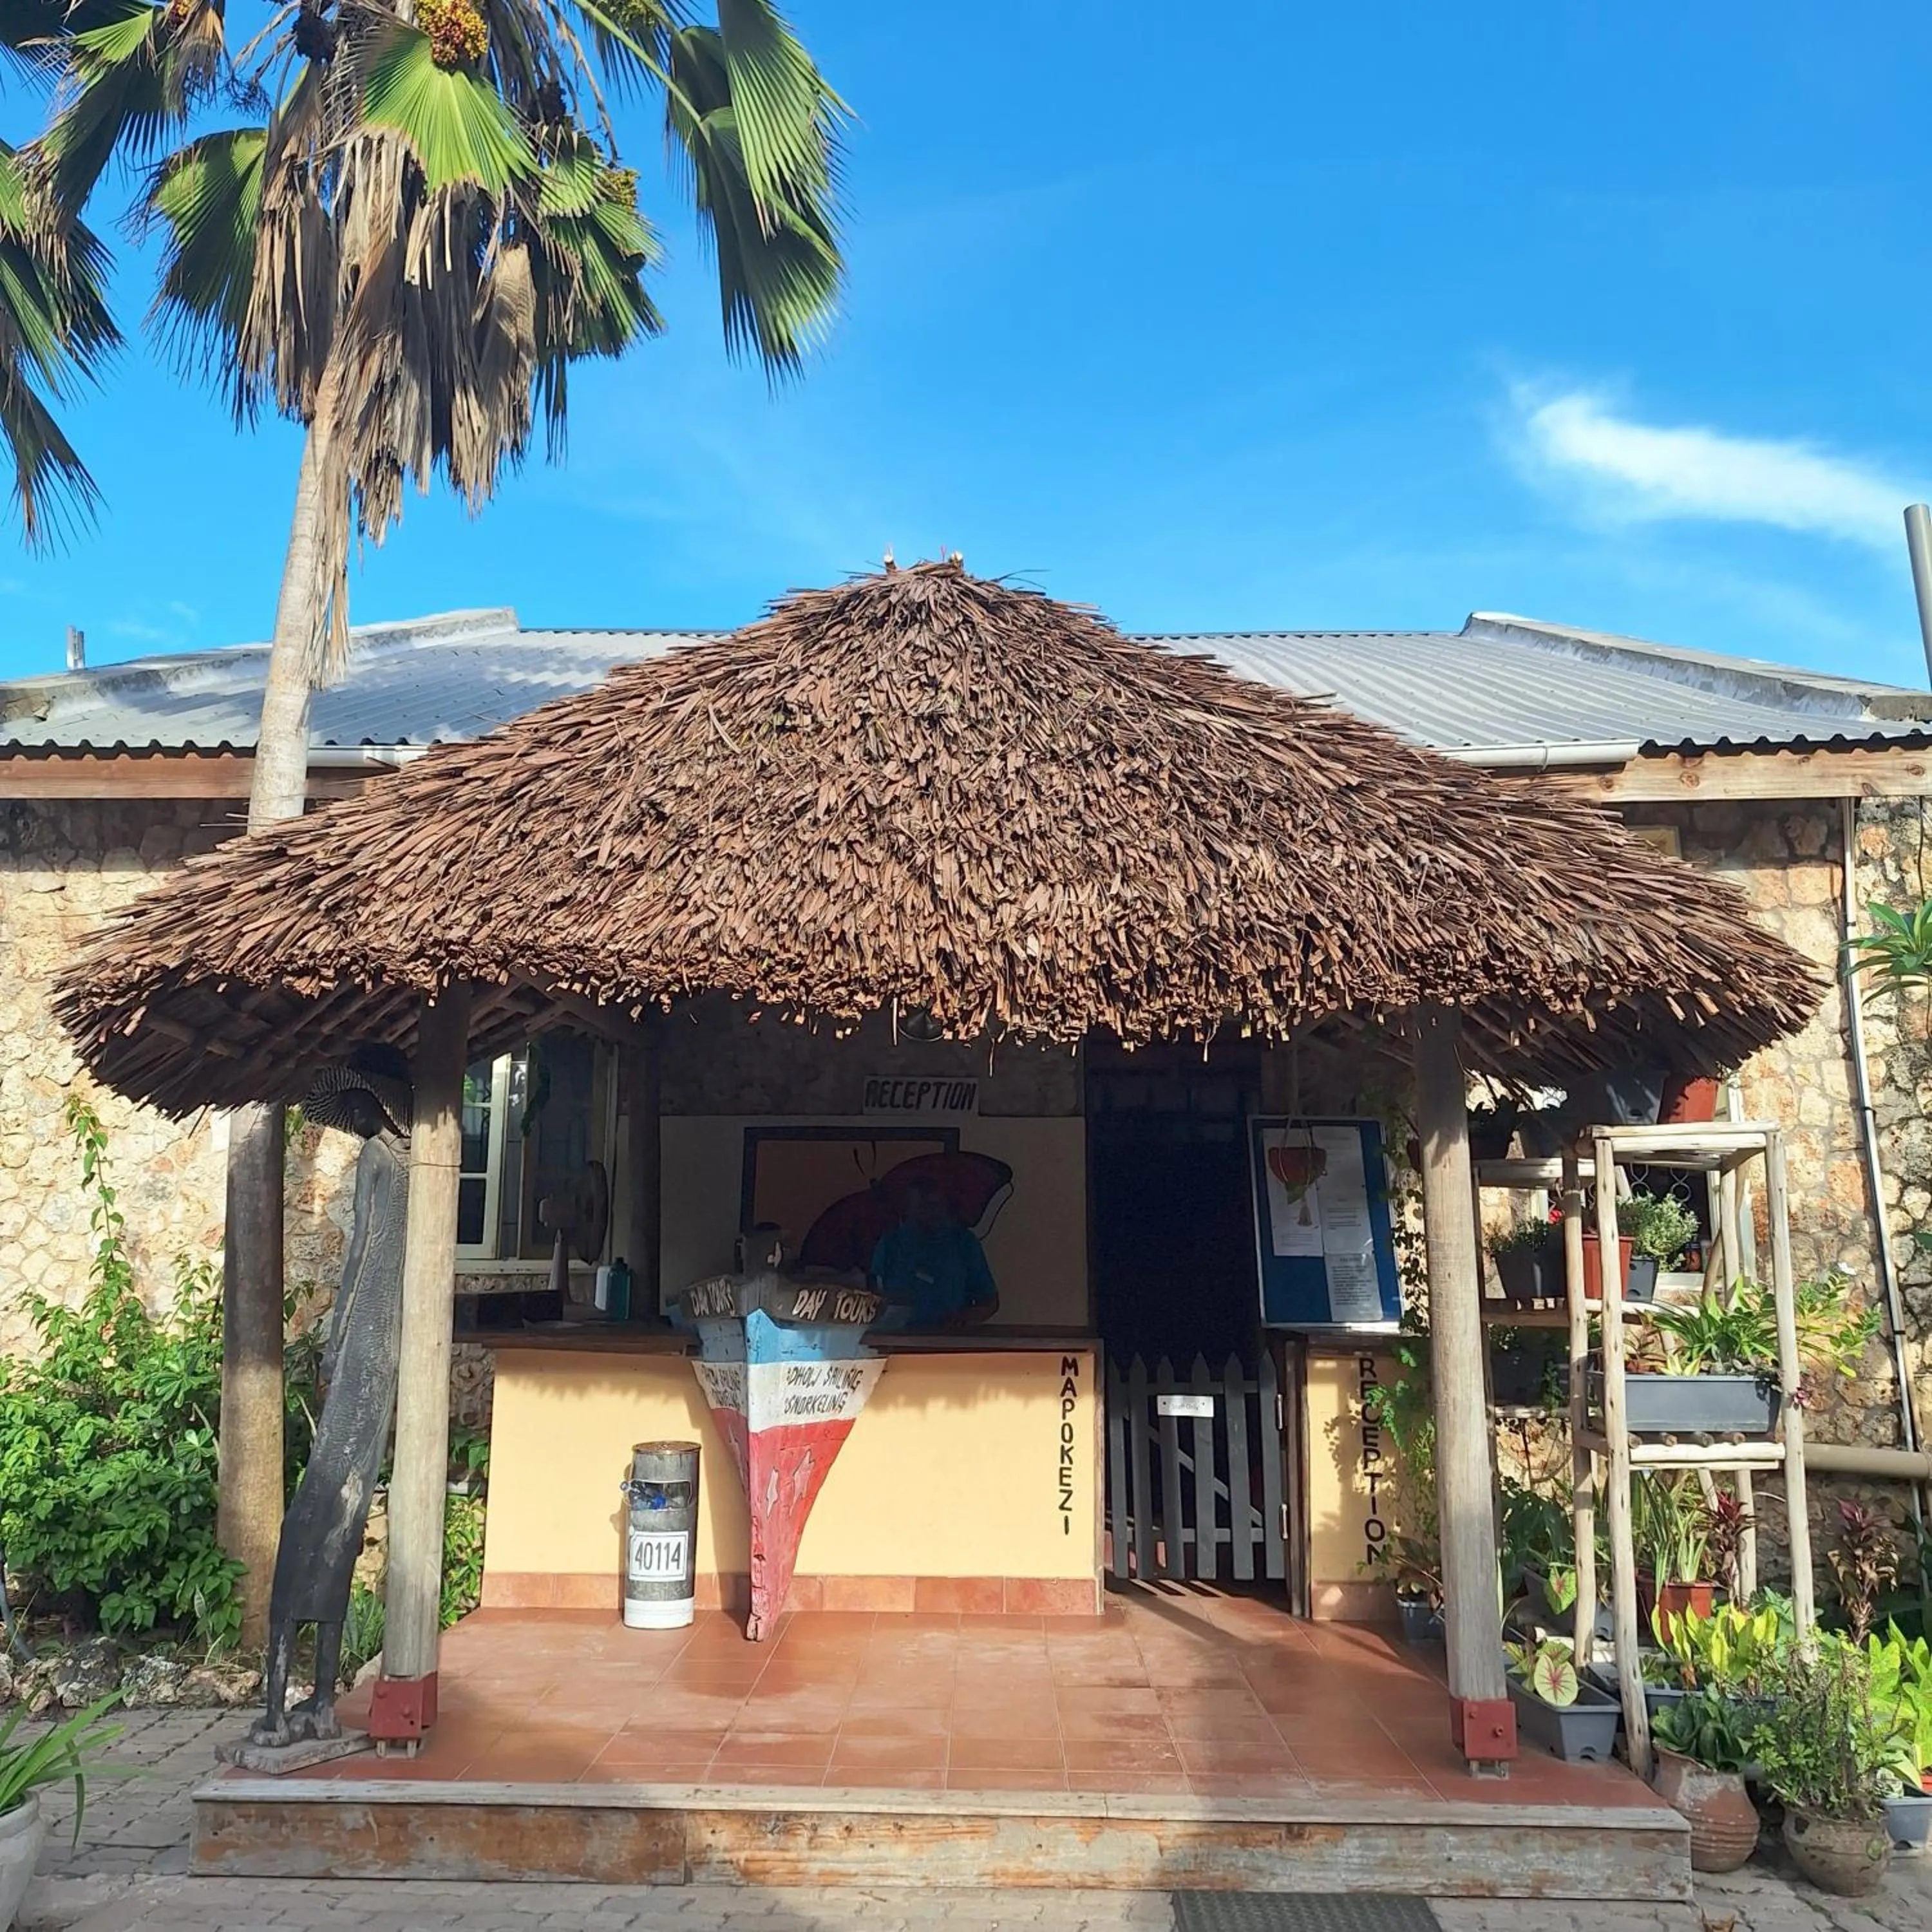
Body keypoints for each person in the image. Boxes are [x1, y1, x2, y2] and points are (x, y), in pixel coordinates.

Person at [869, 1181, 1000, 1331]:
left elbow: (990, 1302)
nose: (930, 1213)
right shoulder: (890, 1244)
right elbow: (872, 1296)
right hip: (897, 1338)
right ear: (908, 1209)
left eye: (935, 1206)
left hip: (949, 1341)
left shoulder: (964, 1243)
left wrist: (962, 1318)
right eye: (922, 1207)